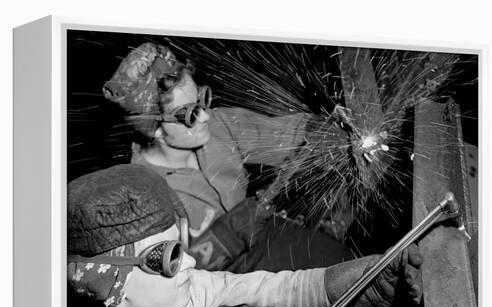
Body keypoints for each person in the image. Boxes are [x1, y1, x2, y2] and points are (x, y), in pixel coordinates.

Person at [67, 164, 423, 307]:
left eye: (183, 246)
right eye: (170, 257)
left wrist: (363, 282)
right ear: (108, 282)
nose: (190, 261)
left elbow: (262, 287)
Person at [102, 42, 355, 274]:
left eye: (201, 100)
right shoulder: (141, 195)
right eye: (189, 114)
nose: (205, 117)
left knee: (341, 264)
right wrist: (222, 237)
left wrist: (323, 128)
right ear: (155, 129)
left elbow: (280, 135)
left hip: (260, 249)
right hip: (210, 295)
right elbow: (164, 286)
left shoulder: (218, 127)